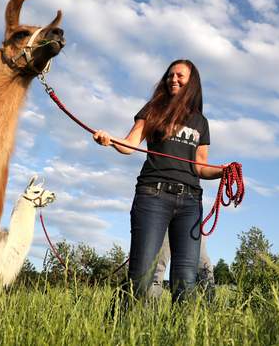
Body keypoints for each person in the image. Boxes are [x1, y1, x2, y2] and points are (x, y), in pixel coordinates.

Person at [93, 59, 223, 303]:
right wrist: (110, 140)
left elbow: (200, 166)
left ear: (191, 83)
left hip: (190, 202)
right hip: (153, 195)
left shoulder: (200, 122)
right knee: (141, 276)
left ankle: (183, 336)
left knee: (186, 280)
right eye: (170, 75)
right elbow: (130, 144)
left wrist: (222, 172)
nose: (173, 79)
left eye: (180, 76)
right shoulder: (153, 109)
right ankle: (120, 331)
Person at [148, 231, 212, 299]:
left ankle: (209, 298)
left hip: (193, 224)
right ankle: (152, 301)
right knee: (158, 265)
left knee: (202, 263)